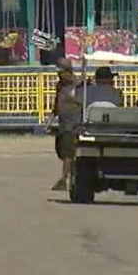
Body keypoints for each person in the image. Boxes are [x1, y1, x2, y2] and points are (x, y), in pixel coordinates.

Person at [49, 58, 81, 191]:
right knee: (61, 152)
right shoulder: (60, 86)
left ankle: (64, 179)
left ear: (68, 71)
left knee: (68, 153)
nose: (59, 75)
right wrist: (50, 120)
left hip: (74, 124)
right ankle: (72, 173)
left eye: (61, 72)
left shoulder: (79, 85)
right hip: (63, 124)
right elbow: (57, 105)